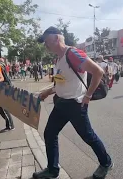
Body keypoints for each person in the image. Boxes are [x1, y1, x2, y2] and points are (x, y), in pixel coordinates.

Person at [34, 26, 113, 179]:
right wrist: (47, 92)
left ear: (56, 38)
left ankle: (106, 163)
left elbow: (98, 72)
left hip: (76, 104)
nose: (45, 45)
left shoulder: (73, 53)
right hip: (62, 104)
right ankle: (52, 170)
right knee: (50, 133)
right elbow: (60, 83)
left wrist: (88, 96)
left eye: (46, 41)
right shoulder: (58, 59)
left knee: (88, 136)